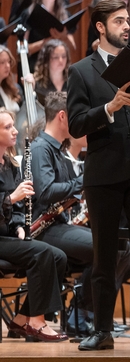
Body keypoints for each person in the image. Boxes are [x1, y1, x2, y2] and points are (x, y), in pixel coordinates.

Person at [67, 0, 130, 351]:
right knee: (105, 257)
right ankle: (102, 330)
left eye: (128, 21)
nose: (127, 26)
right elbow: (77, 124)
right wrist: (109, 108)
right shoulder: (81, 71)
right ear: (100, 27)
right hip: (105, 174)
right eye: (119, 21)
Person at [27, 92, 93, 334]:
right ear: (63, 117)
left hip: (58, 224)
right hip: (43, 229)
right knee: (106, 248)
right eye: (76, 115)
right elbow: (46, 192)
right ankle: (79, 315)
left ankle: (82, 314)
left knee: (118, 246)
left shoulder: (57, 150)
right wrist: (83, 181)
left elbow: (64, 192)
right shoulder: (40, 148)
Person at [0, 109, 69, 342]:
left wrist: (20, 226)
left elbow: (18, 210)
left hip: (8, 236)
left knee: (58, 256)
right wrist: (11, 198)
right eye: (8, 127)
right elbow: (13, 200)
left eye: (13, 125)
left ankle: (22, 318)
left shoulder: (11, 165)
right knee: (43, 253)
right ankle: (37, 323)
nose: (15, 130)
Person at [23, 0, 76, 73]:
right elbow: (24, 49)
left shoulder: (65, 14)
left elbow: (73, 49)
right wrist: (47, 41)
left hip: (60, 69)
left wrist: (64, 37)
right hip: (36, 68)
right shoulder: (29, 13)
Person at [32, 39, 69, 105]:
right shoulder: (37, 84)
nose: (61, 60)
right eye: (56, 57)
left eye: (63, 56)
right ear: (47, 59)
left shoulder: (72, 80)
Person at [0, 45, 22, 113]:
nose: (7, 66)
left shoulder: (15, 87)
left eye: (9, 61)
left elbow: (24, 108)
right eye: (2, 62)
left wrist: (31, 90)